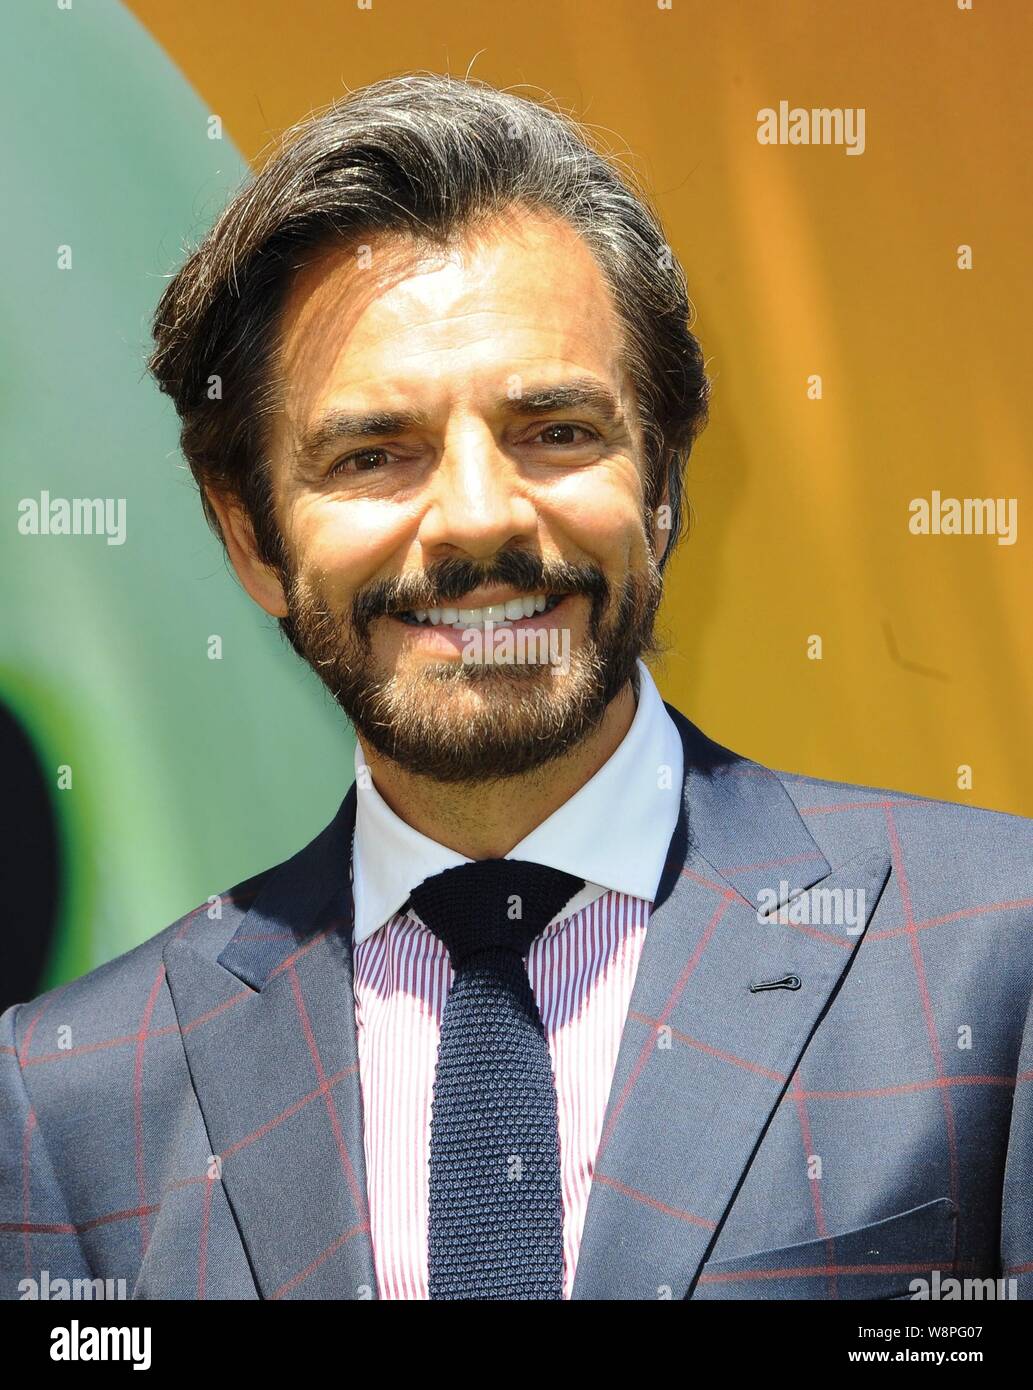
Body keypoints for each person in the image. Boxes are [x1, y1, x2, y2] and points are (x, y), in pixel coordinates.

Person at [2, 74, 1031, 1302]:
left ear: (661, 482)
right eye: (373, 454)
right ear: (248, 536)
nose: (479, 519)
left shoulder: (990, 958)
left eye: (555, 430)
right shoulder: (73, 1090)